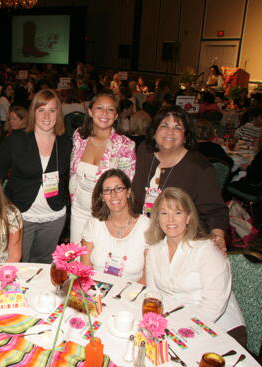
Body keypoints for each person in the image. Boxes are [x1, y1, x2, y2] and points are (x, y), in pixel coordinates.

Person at [145, 187, 245, 342]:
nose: (170, 220)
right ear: (157, 218)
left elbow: (214, 306)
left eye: (177, 213)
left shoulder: (206, 251)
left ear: (188, 217)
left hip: (217, 326)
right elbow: (153, 293)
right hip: (174, 322)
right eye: (164, 213)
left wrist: (183, 330)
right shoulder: (154, 251)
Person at [132, 106, 228, 252]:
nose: (170, 132)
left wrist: (218, 235)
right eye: (164, 125)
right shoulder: (144, 152)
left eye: (177, 127)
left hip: (179, 240)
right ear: (154, 132)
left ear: (185, 136)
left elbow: (214, 209)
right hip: (139, 233)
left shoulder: (199, 167)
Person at [0, 89, 72, 263]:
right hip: (21, 216)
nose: (47, 116)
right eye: (41, 110)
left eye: (52, 110)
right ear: (33, 112)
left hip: (54, 217)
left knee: (44, 266)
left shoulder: (66, 144)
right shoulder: (16, 140)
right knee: (17, 266)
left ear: (58, 114)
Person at [69, 91, 136, 244]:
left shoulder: (125, 145)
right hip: (78, 210)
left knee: (99, 262)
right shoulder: (79, 137)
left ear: (116, 115)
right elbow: (74, 174)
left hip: (107, 213)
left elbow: (126, 184)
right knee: (75, 260)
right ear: (90, 111)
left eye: (110, 109)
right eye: (100, 108)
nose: (105, 113)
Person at [80, 169, 149, 282]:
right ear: (102, 196)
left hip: (130, 295)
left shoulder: (146, 226)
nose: (113, 195)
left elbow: (147, 278)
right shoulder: (94, 223)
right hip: (95, 292)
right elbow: (84, 270)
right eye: (107, 190)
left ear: (128, 192)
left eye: (118, 188)